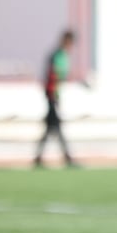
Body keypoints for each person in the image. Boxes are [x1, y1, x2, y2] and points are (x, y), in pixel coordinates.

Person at [34, 29, 79, 169]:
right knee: (57, 127)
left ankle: (38, 158)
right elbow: (52, 77)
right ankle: (68, 158)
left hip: (55, 96)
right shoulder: (56, 56)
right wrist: (53, 96)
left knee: (50, 128)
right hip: (51, 96)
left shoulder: (63, 56)